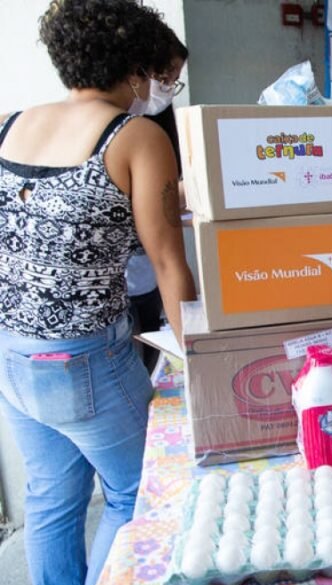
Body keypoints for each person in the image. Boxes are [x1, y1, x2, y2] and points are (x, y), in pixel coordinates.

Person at [0, 1, 197, 585]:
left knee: (51, 498)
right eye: (161, 76)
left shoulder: (12, 122)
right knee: (137, 494)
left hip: (11, 353)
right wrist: (196, 353)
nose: (161, 89)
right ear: (134, 68)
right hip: (85, 358)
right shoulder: (134, 135)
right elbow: (167, 260)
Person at [128, 32, 189, 372]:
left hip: (146, 280)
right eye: (164, 78)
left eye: (174, 82)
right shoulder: (120, 135)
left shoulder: (160, 126)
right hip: (125, 285)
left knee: (148, 363)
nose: (167, 88)